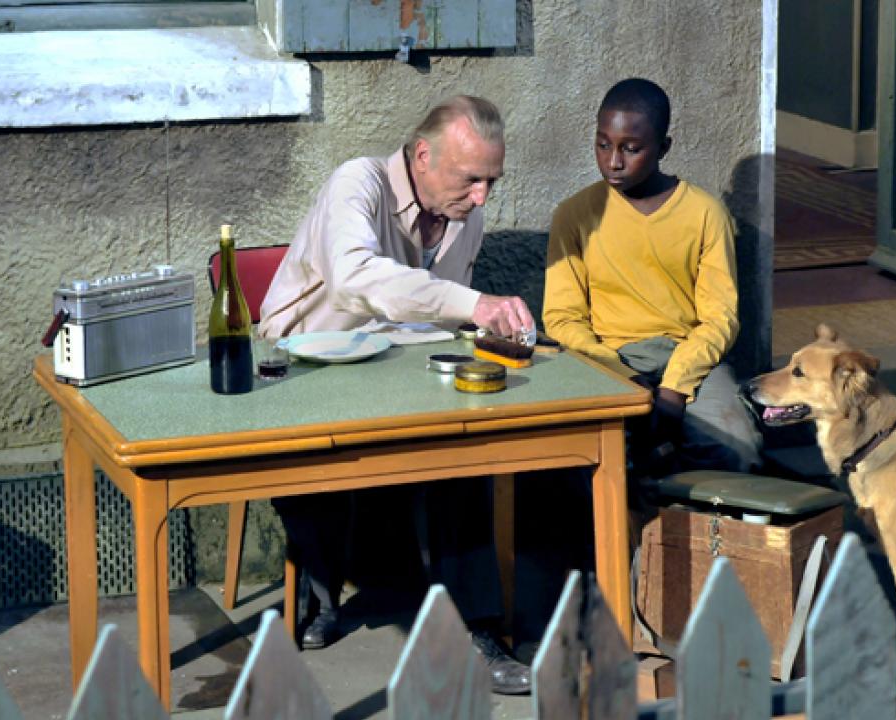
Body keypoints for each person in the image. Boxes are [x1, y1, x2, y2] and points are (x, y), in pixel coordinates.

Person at [259, 95, 532, 695]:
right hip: (304, 364)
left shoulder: (468, 214)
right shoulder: (357, 182)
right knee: (317, 461)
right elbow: (357, 277)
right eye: (471, 179)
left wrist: (484, 327)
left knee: (468, 449)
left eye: (492, 180)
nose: (483, 196)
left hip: (393, 365)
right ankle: (322, 587)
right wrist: (472, 305)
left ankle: (479, 629)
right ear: (424, 155)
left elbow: (433, 312)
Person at [542, 78, 762, 476]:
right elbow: (561, 317)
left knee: (737, 446)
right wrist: (622, 376)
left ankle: (706, 534)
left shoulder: (705, 214)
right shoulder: (575, 215)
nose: (613, 161)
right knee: (598, 459)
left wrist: (675, 387)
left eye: (631, 148)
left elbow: (720, 317)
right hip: (608, 359)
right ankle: (636, 536)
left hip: (691, 358)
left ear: (663, 148)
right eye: (603, 144)